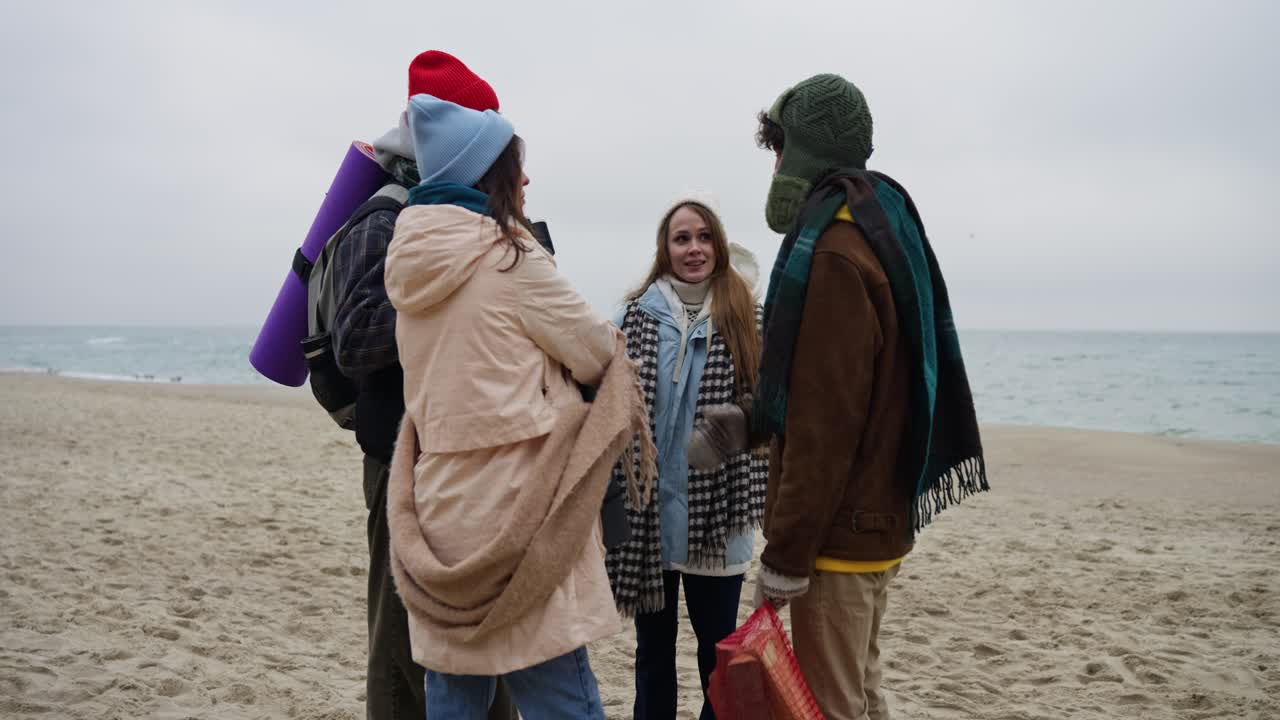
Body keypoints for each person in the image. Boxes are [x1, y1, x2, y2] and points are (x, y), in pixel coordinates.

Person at [689, 73, 989, 720]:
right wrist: (749, 421)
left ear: (802, 153)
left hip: (839, 535)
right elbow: (852, 387)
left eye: (779, 150)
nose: (774, 166)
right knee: (862, 693)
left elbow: (827, 423)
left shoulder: (833, 253)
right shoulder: (883, 222)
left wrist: (787, 556)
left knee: (830, 705)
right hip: (882, 518)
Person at [383, 93, 655, 720]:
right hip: (519, 516)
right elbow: (594, 350)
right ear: (486, 175)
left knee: (453, 691)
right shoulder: (510, 255)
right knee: (561, 696)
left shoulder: (406, 263)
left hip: (440, 509)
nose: (524, 179)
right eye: (513, 165)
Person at [329, 50, 519, 720]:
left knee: (475, 633)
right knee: (401, 639)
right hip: (399, 460)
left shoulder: (456, 214)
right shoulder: (381, 218)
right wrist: (451, 292)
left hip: (463, 461)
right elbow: (356, 341)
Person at [606, 199, 767, 720]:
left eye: (703, 237)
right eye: (681, 238)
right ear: (665, 249)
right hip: (649, 519)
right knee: (652, 658)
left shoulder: (749, 315)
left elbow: (774, 404)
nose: (693, 248)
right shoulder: (633, 314)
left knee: (717, 658)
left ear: (717, 245)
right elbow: (603, 396)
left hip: (717, 524)